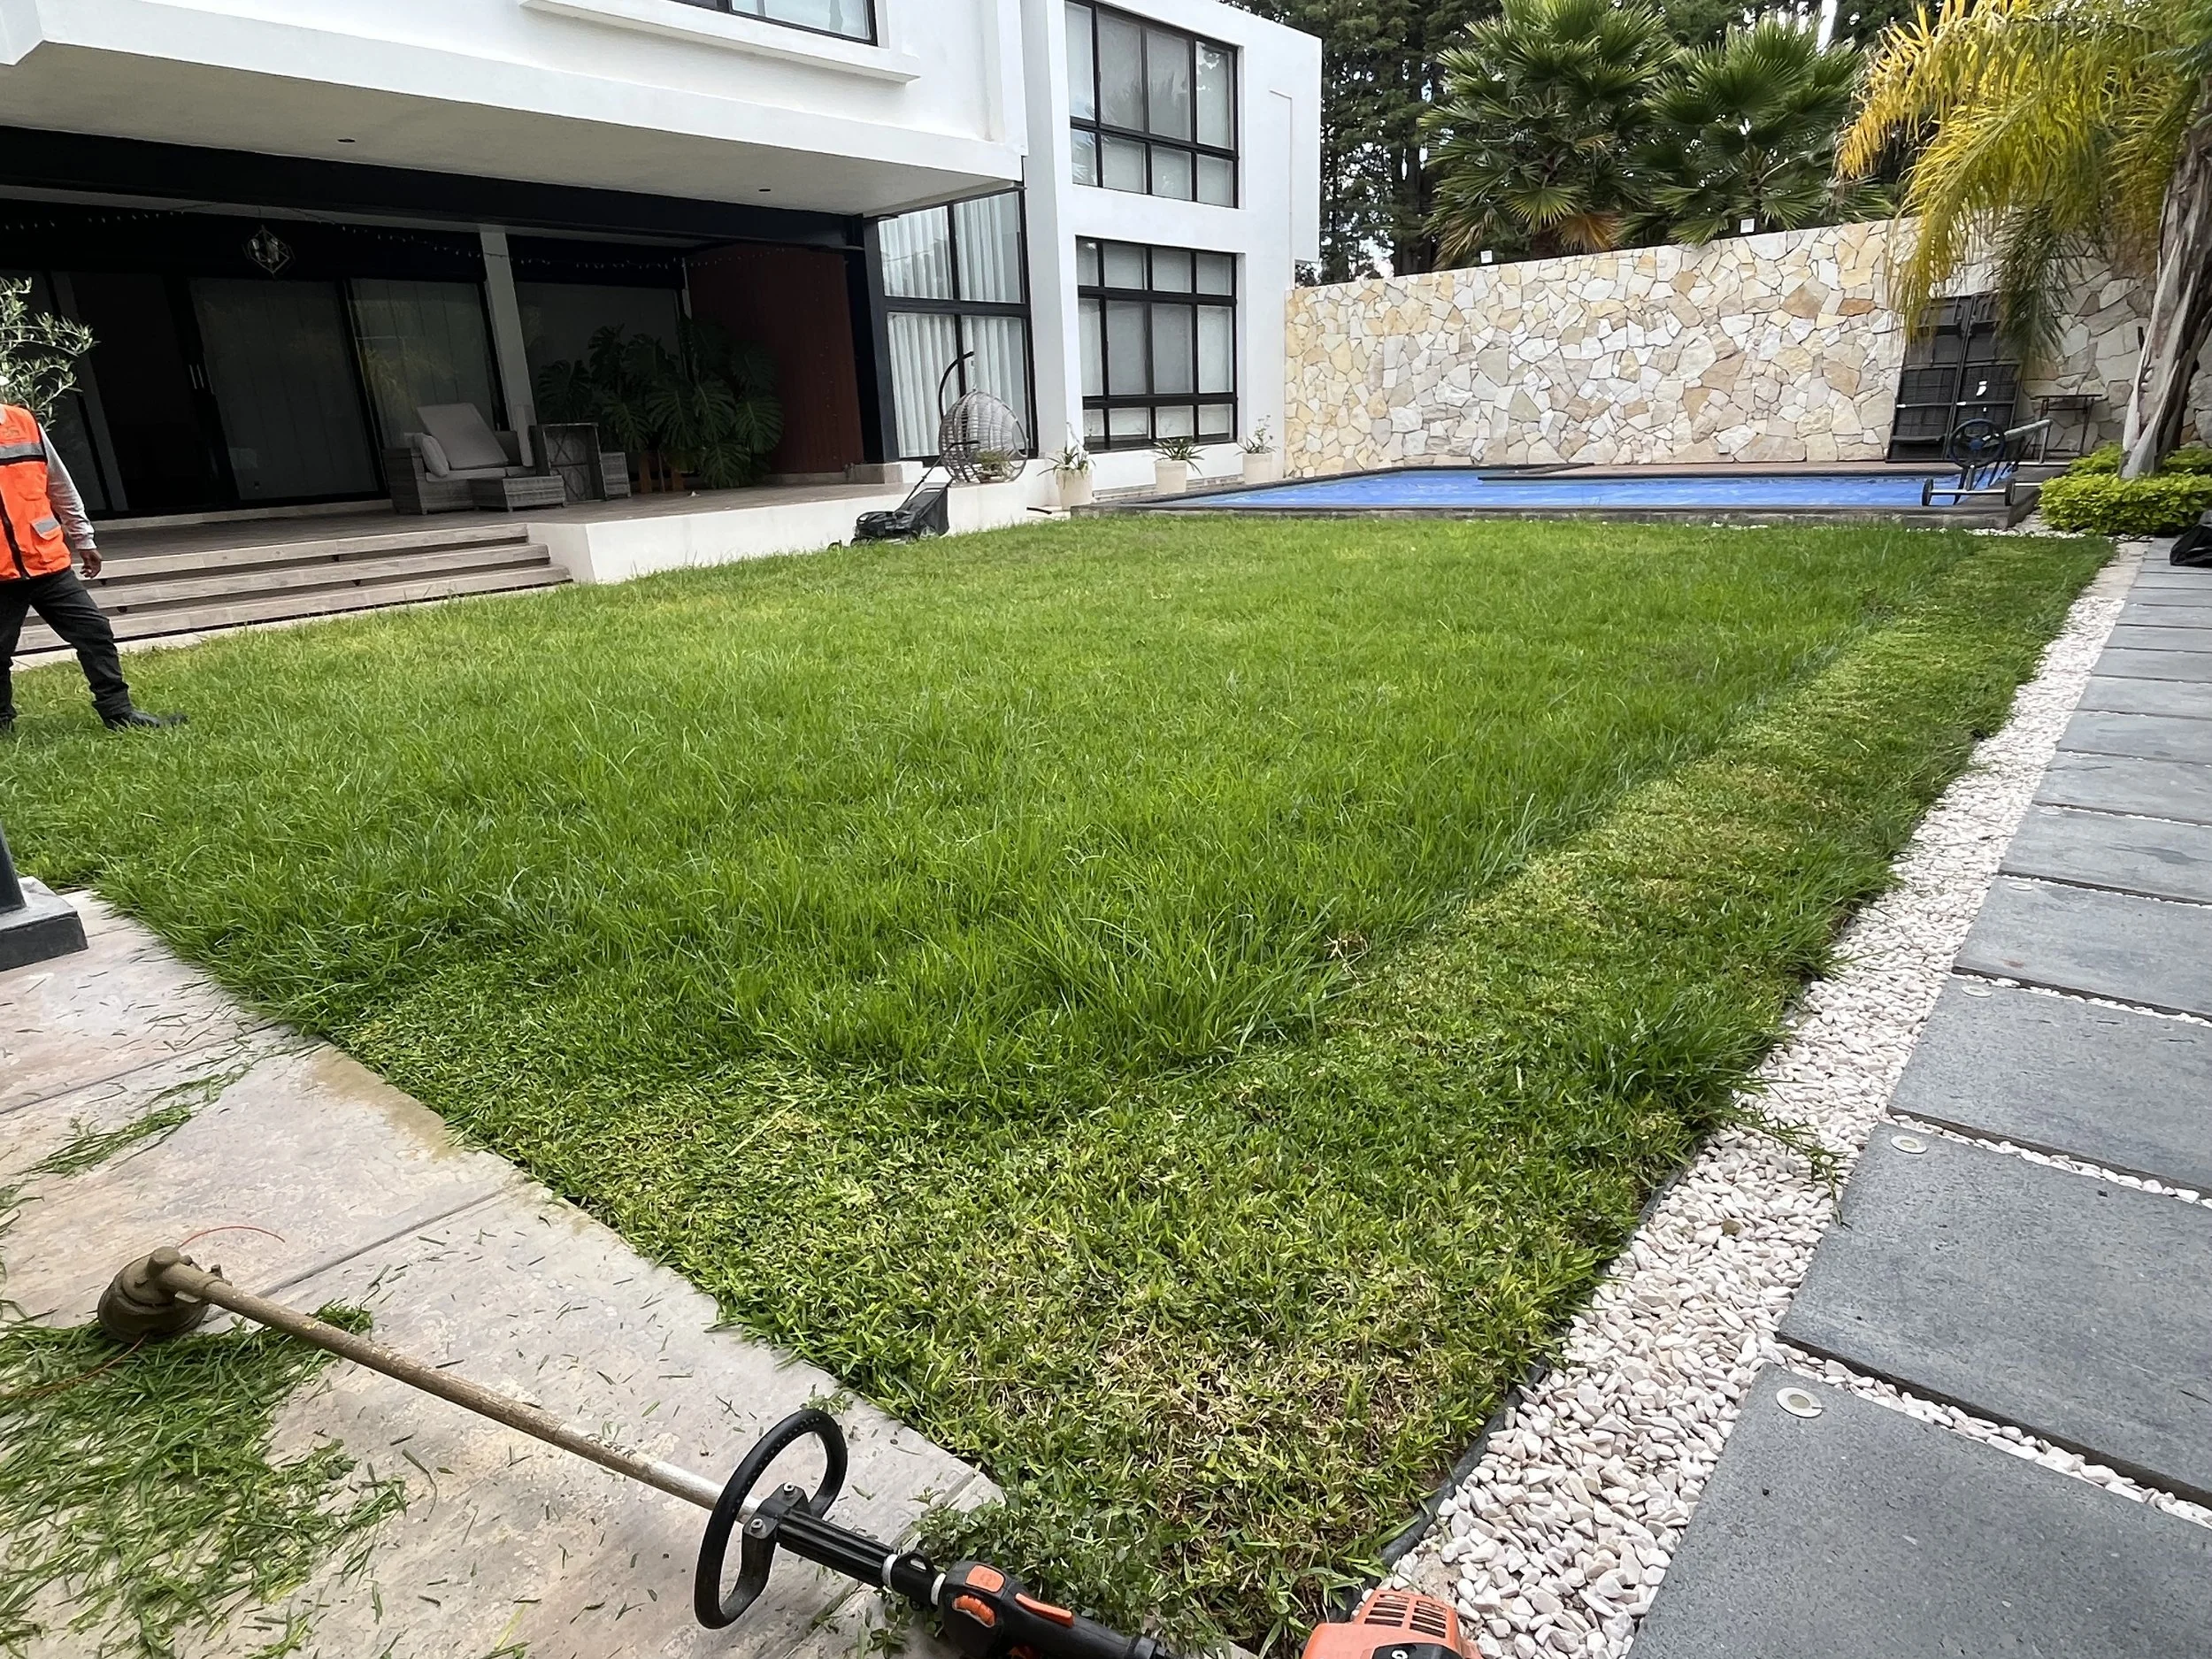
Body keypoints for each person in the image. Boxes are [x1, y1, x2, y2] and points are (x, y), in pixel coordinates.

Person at [0, 401, 182, 733]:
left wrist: (84, 538)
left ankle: (118, 711)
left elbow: (59, 485)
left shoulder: (23, 423)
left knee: (94, 631)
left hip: (46, 562)